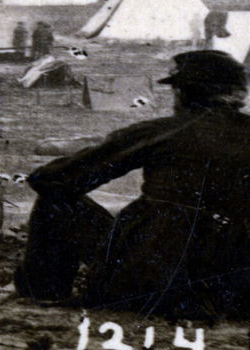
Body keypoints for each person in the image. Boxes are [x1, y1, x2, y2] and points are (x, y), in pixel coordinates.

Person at [15, 50, 250, 318]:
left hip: (143, 283)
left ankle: (42, 295)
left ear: (183, 92)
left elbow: (52, 181)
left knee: (55, 203)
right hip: (235, 293)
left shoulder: (161, 132)